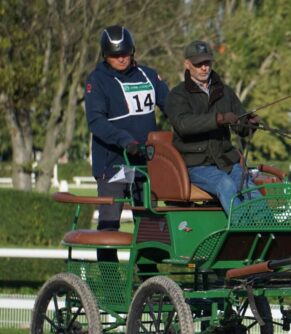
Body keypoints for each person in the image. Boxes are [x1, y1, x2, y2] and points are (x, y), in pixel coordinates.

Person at [85, 25, 169, 262]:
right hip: (115, 166)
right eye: (114, 55)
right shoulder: (97, 80)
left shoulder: (149, 75)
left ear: (132, 51)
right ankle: (110, 283)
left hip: (145, 163)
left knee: (150, 227)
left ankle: (150, 286)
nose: (121, 58)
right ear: (104, 55)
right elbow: (96, 122)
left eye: (125, 53)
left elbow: (172, 107)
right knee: (109, 226)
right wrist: (126, 141)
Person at [165, 40, 261, 215]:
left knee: (249, 187)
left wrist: (250, 123)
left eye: (207, 63)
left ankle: (271, 231)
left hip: (226, 161)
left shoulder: (226, 92)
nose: (204, 68)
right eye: (198, 64)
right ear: (187, 65)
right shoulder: (178, 95)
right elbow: (183, 125)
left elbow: (241, 129)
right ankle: (244, 233)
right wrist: (219, 119)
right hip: (195, 164)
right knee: (225, 185)